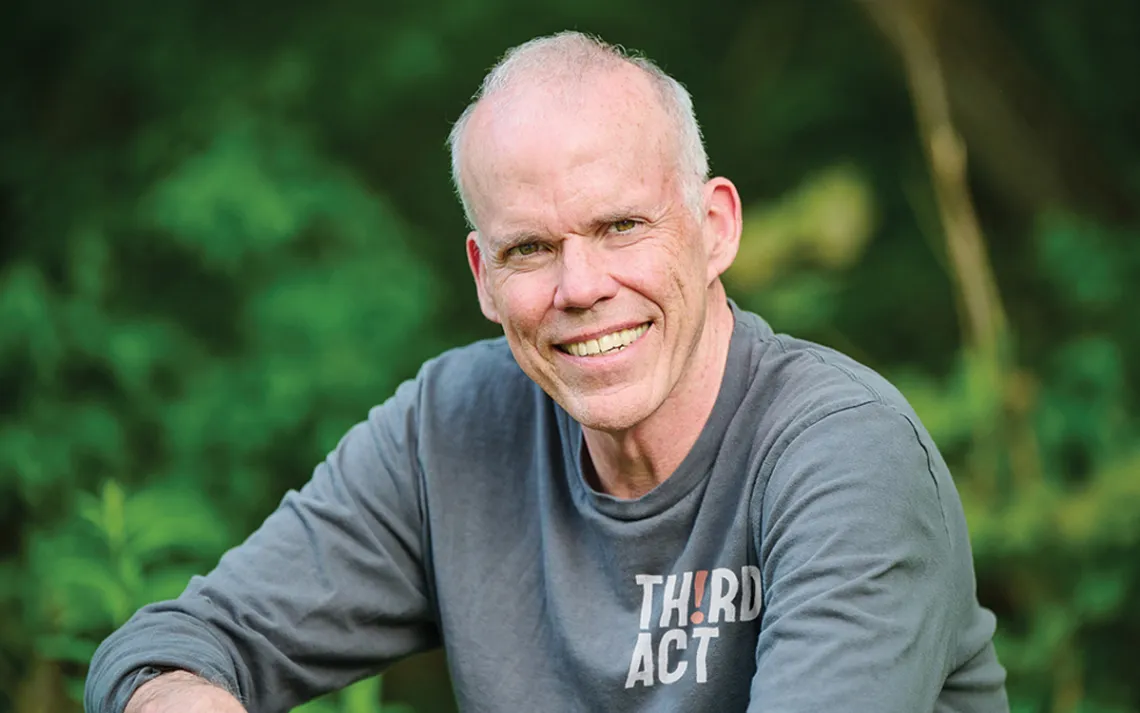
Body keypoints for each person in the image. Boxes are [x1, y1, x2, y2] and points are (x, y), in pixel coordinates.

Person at [85, 31, 1009, 713]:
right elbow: (169, 644)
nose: (580, 287)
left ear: (716, 226)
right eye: (530, 248)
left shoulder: (846, 454)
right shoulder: (452, 430)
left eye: (621, 227)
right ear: (485, 278)